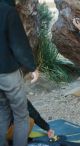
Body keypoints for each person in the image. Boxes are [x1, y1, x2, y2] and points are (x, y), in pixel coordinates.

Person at [0, 1, 39, 146]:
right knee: (21, 115)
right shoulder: (8, 11)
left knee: (2, 111)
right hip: (7, 73)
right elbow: (18, 44)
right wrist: (32, 67)